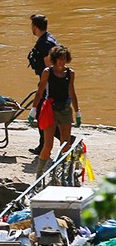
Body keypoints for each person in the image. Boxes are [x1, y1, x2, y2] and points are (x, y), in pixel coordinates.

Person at [34, 45, 81, 178]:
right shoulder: (47, 72)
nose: (62, 62)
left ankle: (61, 172)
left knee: (65, 145)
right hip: (50, 109)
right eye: (59, 59)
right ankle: (39, 173)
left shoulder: (70, 73)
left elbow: (72, 92)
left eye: (64, 59)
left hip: (65, 110)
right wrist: (33, 109)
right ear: (54, 59)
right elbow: (40, 92)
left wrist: (77, 112)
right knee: (48, 145)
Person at [26, 14, 59, 155]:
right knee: (43, 114)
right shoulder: (48, 39)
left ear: (35, 27)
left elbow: (49, 68)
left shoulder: (45, 44)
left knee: (41, 113)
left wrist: (44, 87)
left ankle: (65, 140)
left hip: (48, 84)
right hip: (47, 83)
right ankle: (44, 144)